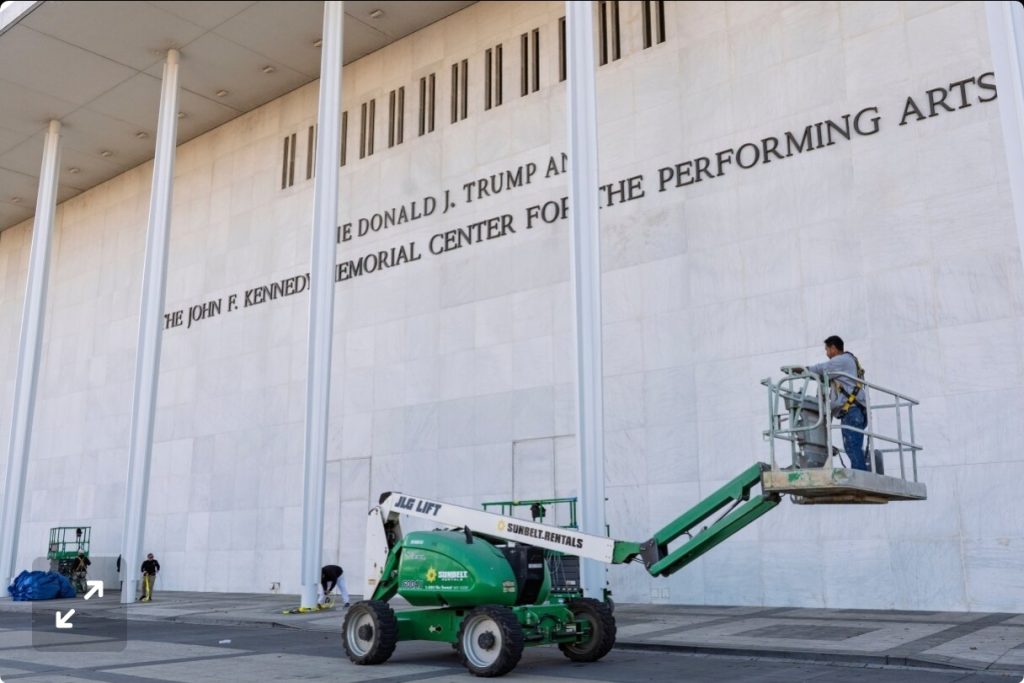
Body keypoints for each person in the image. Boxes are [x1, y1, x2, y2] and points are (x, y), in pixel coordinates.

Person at [793, 335, 869, 471]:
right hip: (855, 410)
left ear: (833, 348)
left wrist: (802, 370)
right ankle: (861, 472)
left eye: (827, 350)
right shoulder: (848, 361)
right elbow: (825, 377)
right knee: (854, 446)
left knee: (852, 446)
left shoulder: (840, 360)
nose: (827, 353)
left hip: (852, 410)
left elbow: (821, 369)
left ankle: (861, 475)